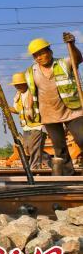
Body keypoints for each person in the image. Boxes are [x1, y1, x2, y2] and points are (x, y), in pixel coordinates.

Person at [24, 33, 83, 175]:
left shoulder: (63, 63)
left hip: (72, 110)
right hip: (49, 114)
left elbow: (78, 59)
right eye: (35, 55)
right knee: (59, 147)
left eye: (41, 53)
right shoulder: (31, 72)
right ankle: (69, 175)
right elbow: (32, 92)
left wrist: (72, 45)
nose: (39, 57)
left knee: (82, 138)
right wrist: (28, 108)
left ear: (49, 51)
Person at [4, 73, 48, 170]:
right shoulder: (17, 96)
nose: (17, 86)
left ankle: (35, 168)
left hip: (38, 125)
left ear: (26, 83)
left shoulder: (34, 93)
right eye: (16, 85)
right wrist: (4, 106)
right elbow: (17, 110)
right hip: (26, 127)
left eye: (20, 84)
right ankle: (52, 163)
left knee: (34, 148)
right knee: (28, 149)